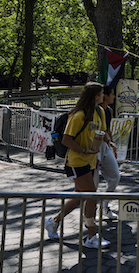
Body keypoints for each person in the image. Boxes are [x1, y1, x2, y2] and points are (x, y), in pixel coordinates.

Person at [44, 82, 111, 249]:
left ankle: (53, 221)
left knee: (79, 197)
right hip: (77, 161)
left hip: (91, 161)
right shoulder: (78, 115)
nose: (103, 96)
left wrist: (110, 142)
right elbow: (67, 140)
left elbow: (102, 133)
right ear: (95, 95)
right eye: (101, 93)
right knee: (91, 197)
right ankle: (91, 236)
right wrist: (83, 150)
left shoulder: (100, 111)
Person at [95, 85, 120, 220]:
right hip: (92, 149)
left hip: (104, 147)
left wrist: (110, 142)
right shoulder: (93, 111)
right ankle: (89, 217)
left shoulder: (108, 111)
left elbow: (107, 130)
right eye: (112, 94)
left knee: (115, 176)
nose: (114, 97)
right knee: (91, 186)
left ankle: (105, 206)